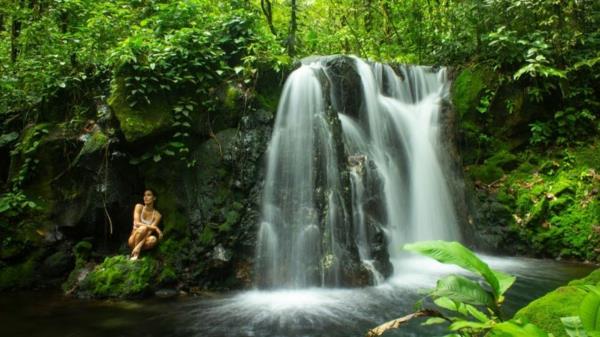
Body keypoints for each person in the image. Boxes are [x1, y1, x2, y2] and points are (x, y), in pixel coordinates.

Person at [128, 189, 163, 261]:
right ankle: (135, 255)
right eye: (144, 195)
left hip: (144, 241)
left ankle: (137, 250)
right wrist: (156, 228)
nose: (145, 197)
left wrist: (139, 246)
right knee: (143, 228)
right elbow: (137, 223)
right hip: (133, 239)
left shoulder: (157, 215)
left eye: (148, 195)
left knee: (153, 239)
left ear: (154, 198)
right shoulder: (139, 207)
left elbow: (149, 232)